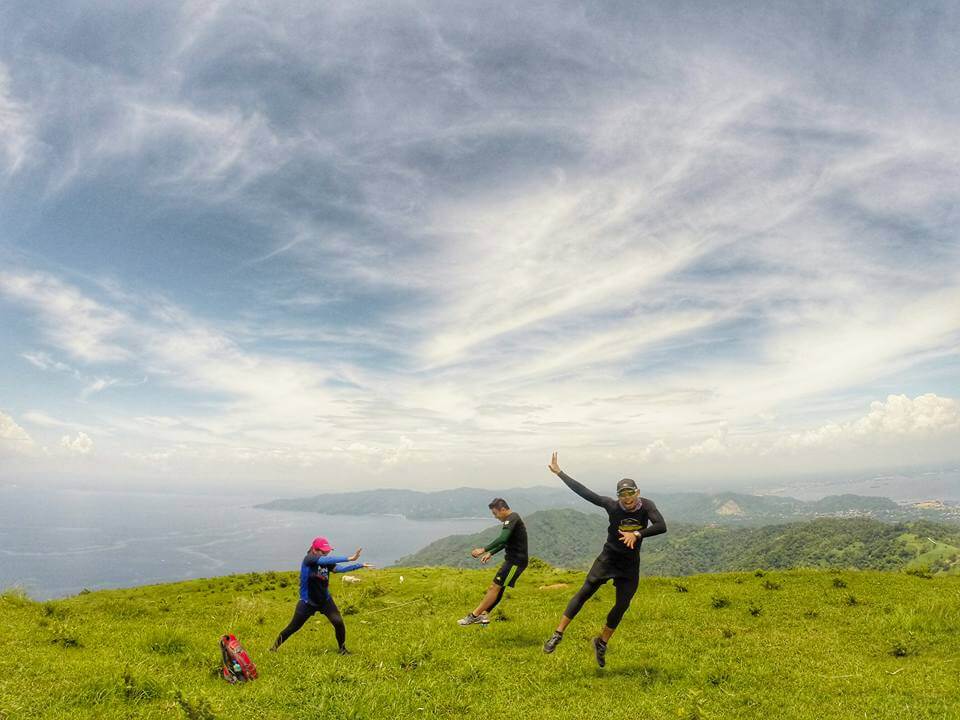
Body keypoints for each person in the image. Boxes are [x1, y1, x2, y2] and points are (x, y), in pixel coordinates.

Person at [542, 452, 666, 667]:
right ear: (618, 496)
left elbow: (661, 526)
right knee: (585, 592)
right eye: (622, 495)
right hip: (608, 558)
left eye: (631, 494)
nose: (627, 499)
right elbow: (585, 493)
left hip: (629, 564)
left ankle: (601, 642)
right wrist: (560, 473)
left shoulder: (647, 506)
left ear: (638, 492)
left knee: (622, 604)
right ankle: (558, 634)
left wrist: (636, 534)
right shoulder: (612, 505)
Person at [270, 536, 373, 655]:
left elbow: (339, 569)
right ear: (314, 550)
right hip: (307, 602)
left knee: (338, 622)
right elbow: (323, 561)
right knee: (293, 627)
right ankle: (273, 648)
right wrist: (350, 558)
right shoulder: (309, 559)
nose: (326, 554)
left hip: (325, 600)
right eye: (323, 552)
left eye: (328, 551)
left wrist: (359, 565)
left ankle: (342, 649)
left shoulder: (326, 561)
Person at [458, 498, 528, 626]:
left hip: (515, 562)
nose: (495, 517)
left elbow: (502, 539)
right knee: (498, 588)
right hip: (514, 561)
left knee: (494, 587)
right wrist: (491, 553)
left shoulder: (512, 518)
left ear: (503, 509)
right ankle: (484, 616)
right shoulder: (512, 519)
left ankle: (474, 616)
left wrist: (483, 549)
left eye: (495, 513)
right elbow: (506, 541)